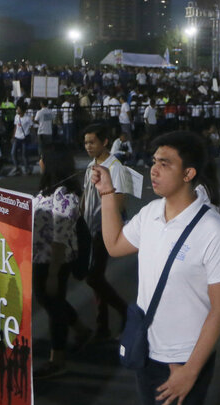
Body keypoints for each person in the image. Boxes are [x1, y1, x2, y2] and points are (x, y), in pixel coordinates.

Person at [92, 131, 220, 405]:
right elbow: (115, 245)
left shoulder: (214, 232)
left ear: (189, 173)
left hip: (184, 360)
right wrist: (107, 193)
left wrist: (191, 371)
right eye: (154, 161)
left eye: (165, 163)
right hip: (147, 349)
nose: (154, 170)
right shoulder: (150, 213)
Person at [31, 144, 92, 378]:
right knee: (50, 300)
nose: (39, 162)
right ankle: (81, 330)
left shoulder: (64, 195)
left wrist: (54, 273)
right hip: (42, 257)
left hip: (55, 260)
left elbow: (59, 239)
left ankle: (58, 359)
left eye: (42, 158)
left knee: (53, 304)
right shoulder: (47, 190)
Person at [79, 124, 131, 340]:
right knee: (95, 276)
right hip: (89, 226)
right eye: (85, 142)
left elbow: (120, 202)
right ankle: (102, 326)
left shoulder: (116, 168)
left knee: (94, 276)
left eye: (92, 142)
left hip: (104, 228)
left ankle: (126, 312)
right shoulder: (91, 166)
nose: (88, 146)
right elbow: (85, 195)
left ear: (105, 142)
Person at [11, 106, 32, 175]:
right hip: (17, 137)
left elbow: (31, 127)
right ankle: (17, 167)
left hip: (24, 137)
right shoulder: (16, 117)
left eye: (18, 109)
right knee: (13, 153)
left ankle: (27, 168)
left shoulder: (27, 118)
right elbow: (15, 126)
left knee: (24, 154)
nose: (17, 110)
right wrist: (13, 136)